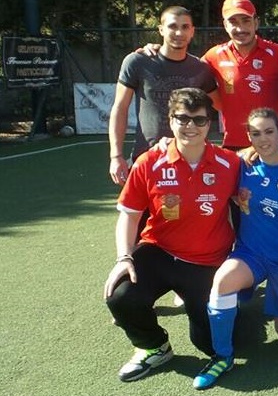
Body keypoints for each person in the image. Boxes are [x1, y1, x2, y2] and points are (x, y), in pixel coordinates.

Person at [103, 88, 240, 383]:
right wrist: (124, 257)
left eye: (199, 120)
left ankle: (235, 308)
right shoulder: (149, 162)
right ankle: (154, 347)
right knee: (121, 295)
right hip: (160, 251)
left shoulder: (230, 163)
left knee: (213, 343)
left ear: (209, 123)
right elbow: (129, 215)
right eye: (183, 118)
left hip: (207, 261)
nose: (191, 126)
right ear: (170, 120)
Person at [191, 108, 278, 389]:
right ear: (248, 137)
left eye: (269, 132)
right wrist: (165, 142)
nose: (263, 139)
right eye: (256, 134)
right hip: (251, 253)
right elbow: (201, 151)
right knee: (223, 281)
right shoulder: (240, 165)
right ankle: (222, 356)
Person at [108, 6, 218, 186]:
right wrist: (116, 156)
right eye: (172, 26)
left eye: (185, 27)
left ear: (192, 31)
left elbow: (223, 106)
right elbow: (120, 108)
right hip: (146, 158)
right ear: (161, 29)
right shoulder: (138, 61)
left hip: (191, 162)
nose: (179, 32)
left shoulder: (201, 69)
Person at [201, 0, 278, 150]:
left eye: (246, 21)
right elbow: (188, 71)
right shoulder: (214, 56)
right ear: (225, 25)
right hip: (234, 145)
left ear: (256, 22)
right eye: (233, 22)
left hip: (274, 144)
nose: (240, 28)